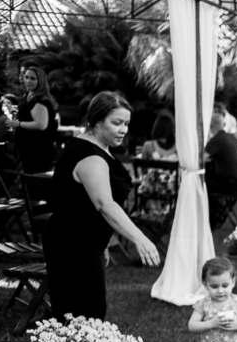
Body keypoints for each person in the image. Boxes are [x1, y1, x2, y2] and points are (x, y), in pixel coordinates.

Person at [43, 91, 161, 321]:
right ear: (96, 121)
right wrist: (140, 239)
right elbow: (104, 204)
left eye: (126, 123)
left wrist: (103, 242)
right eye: (116, 123)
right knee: (83, 314)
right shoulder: (91, 157)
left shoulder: (97, 145)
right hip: (71, 242)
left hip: (85, 239)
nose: (123, 130)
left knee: (86, 313)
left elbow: (81, 202)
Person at [6, 64, 59, 174]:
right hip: (29, 150)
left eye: (32, 78)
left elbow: (41, 124)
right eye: (26, 77)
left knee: (35, 183)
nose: (28, 81)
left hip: (38, 152)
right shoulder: (28, 97)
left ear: (40, 81)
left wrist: (18, 124)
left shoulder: (39, 100)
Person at [205, 103, 237, 230]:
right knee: (207, 179)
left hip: (228, 184)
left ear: (210, 126)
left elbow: (198, 159)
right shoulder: (231, 137)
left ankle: (210, 219)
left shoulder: (217, 139)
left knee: (198, 183)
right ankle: (215, 215)